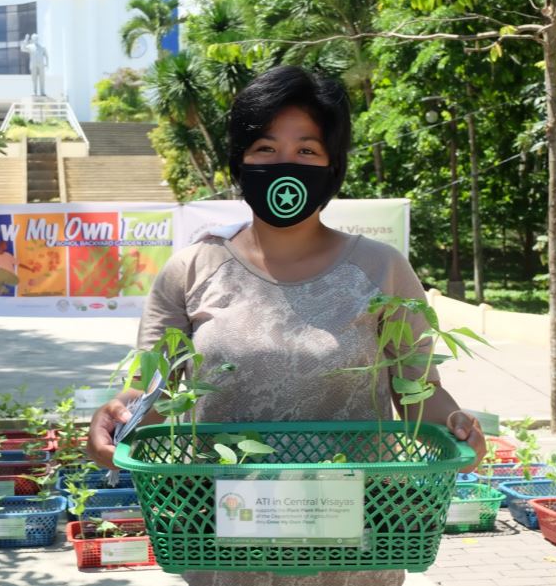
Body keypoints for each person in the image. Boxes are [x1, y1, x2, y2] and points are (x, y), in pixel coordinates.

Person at [87, 65, 487, 586]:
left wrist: (459, 429)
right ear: (240, 161)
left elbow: (418, 392)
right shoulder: (190, 271)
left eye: (307, 151)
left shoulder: (380, 269)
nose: (284, 166)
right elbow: (151, 395)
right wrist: (115, 421)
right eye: (265, 150)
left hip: (354, 540)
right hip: (225, 537)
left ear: (332, 165)